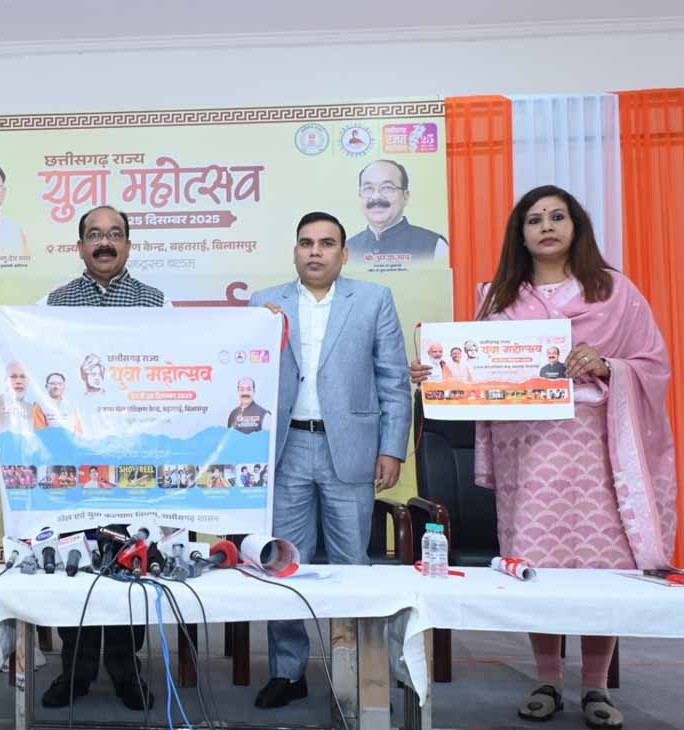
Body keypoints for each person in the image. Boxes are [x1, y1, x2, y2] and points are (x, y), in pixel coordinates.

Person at [410, 184, 677, 729]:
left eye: (557, 217)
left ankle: (596, 685)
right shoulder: (500, 298)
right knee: (536, 563)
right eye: (535, 220)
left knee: (602, 568)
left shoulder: (615, 293)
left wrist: (607, 364)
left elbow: (653, 363)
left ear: (576, 227)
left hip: (596, 450)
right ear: (522, 234)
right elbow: (474, 369)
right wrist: (433, 374)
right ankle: (548, 679)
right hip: (527, 449)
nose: (547, 227)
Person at [0, 204, 162, 712]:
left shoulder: (158, 304)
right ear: (79, 247)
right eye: (94, 235)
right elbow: (24, 354)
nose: (105, 242)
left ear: (128, 245)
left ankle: (125, 667)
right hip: (70, 463)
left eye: (114, 234)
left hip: (129, 459)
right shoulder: (54, 303)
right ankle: (74, 668)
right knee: (75, 562)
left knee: (127, 562)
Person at [249, 211, 410, 709]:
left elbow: (394, 379)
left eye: (326, 243)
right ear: (295, 251)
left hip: (352, 448)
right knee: (283, 563)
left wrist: (391, 447)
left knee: (351, 562)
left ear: (344, 253)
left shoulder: (374, 300)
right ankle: (288, 671)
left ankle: (356, 668)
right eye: (306, 243)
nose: (315, 251)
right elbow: (244, 376)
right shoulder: (264, 304)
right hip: (286, 448)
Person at [347, 159, 448, 267]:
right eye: (368, 189)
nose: (376, 197)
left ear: (405, 196)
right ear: (360, 195)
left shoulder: (434, 246)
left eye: (387, 188)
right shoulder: (347, 250)